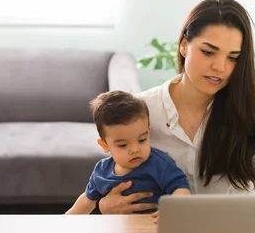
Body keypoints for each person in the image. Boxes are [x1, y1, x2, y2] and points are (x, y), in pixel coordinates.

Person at [97, 0, 255, 216]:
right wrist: (104, 205)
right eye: (208, 52)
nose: (220, 67)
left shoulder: (251, 105)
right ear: (184, 45)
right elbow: (111, 175)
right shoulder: (144, 110)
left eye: (233, 58)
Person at [65, 90, 191, 222]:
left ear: (149, 132)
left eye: (142, 140)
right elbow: (87, 199)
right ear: (104, 145)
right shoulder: (102, 171)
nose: (135, 150)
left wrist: (174, 208)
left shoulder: (160, 164)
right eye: (123, 145)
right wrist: (63, 222)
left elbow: (181, 187)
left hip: (152, 230)